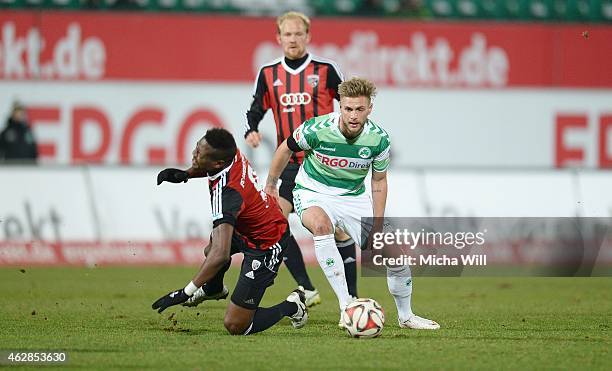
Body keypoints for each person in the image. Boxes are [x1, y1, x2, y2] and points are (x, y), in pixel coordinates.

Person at [264, 77, 440, 330]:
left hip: (354, 198)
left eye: (359, 109)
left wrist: (377, 222)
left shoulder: (378, 139)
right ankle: (347, 305)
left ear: (369, 109)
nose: (353, 115)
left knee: (395, 256)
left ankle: (406, 316)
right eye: (348, 109)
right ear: (340, 107)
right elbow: (285, 148)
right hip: (313, 191)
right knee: (322, 226)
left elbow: (379, 181)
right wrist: (271, 183)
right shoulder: (316, 129)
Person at [244, 11, 358, 306]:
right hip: (291, 165)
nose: (292, 39)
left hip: (323, 164)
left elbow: (349, 104)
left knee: (339, 230)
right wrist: (252, 129)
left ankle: (352, 297)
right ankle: (307, 288)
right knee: (275, 222)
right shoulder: (269, 74)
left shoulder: (325, 70)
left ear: (307, 37)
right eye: (287, 34)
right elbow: (257, 106)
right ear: (278, 38)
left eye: (298, 34)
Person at [152, 128, 307, 335]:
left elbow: (221, 255)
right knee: (211, 248)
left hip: (267, 243)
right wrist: (187, 174)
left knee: (235, 325)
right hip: (249, 225)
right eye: (197, 148)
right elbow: (213, 167)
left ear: (217, 163)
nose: (193, 154)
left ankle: (293, 306)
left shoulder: (227, 195)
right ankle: (214, 288)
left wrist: (185, 292)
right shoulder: (230, 153)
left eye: (199, 154)